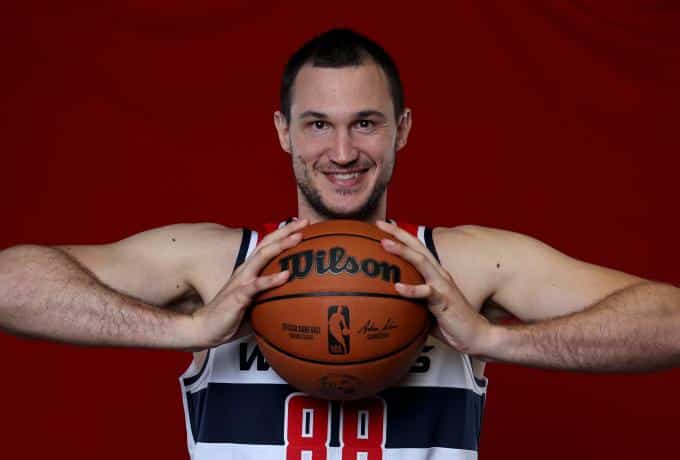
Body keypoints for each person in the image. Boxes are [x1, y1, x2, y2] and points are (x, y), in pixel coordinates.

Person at [0, 28, 678, 459]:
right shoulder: (216, 263)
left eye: (367, 124)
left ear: (402, 129)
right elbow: (10, 284)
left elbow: (670, 322)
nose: (344, 152)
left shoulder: (462, 266)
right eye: (318, 124)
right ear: (283, 131)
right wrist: (188, 329)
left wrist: (493, 340)